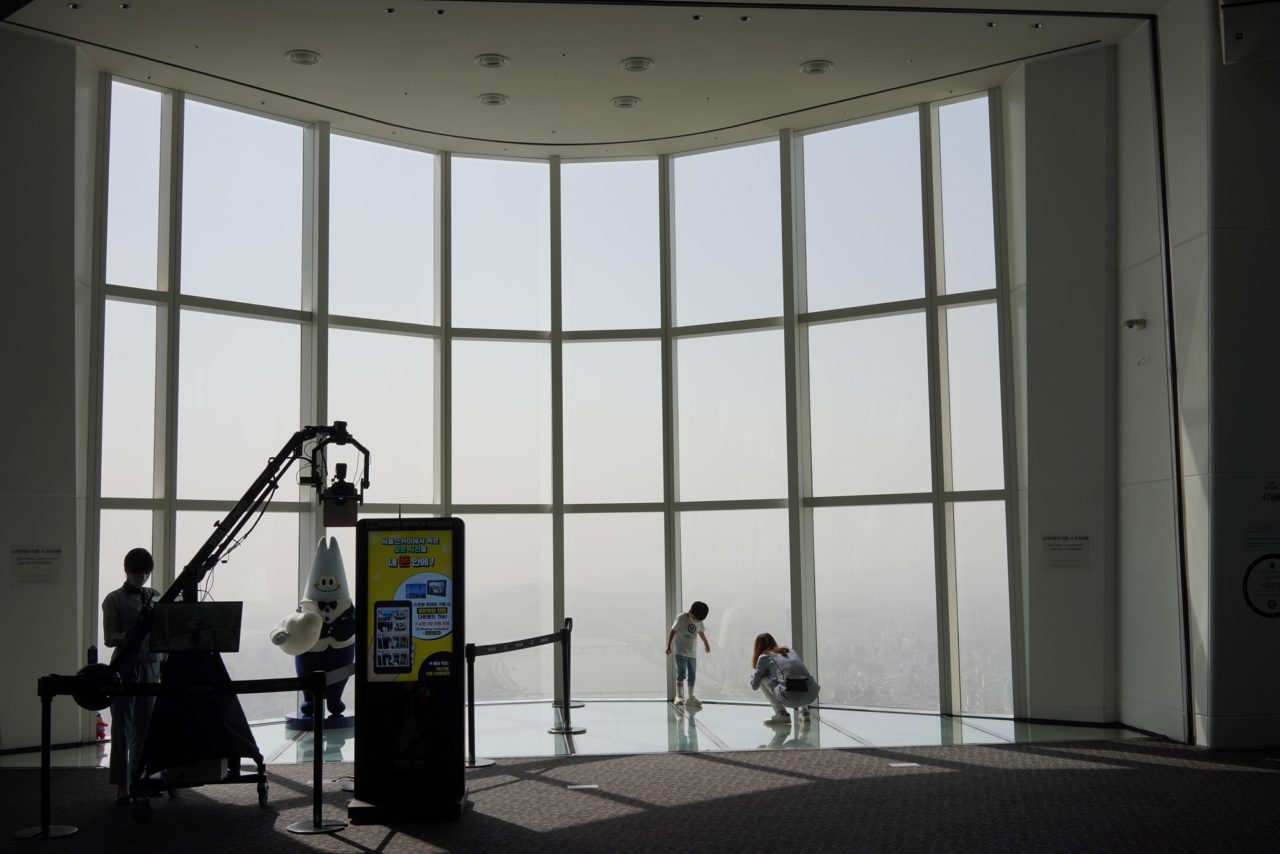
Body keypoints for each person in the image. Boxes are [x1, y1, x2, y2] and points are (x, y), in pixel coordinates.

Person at [102, 547, 164, 804]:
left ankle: (140, 777)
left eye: (146, 572)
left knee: (145, 726)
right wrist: (127, 637)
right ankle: (121, 784)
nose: (142, 576)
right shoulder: (113, 599)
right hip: (125, 667)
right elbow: (109, 638)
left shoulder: (155, 596)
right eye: (138, 572)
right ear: (127, 571)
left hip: (151, 666)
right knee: (122, 727)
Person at [750, 632, 820, 726]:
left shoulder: (764, 657)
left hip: (791, 696)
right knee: (795, 676)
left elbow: (754, 685)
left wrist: (756, 677)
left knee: (762, 680)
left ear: (758, 647)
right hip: (811, 693)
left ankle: (782, 714)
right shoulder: (789, 651)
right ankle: (804, 711)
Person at [665, 601, 710, 708]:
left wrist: (706, 642)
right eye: (695, 618)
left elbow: (700, 631)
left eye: (698, 620)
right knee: (681, 674)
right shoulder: (681, 618)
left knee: (692, 675)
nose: (696, 621)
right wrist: (669, 646)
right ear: (690, 612)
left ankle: (690, 697)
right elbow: (673, 631)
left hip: (692, 653)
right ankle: (679, 696)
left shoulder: (699, 619)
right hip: (680, 652)